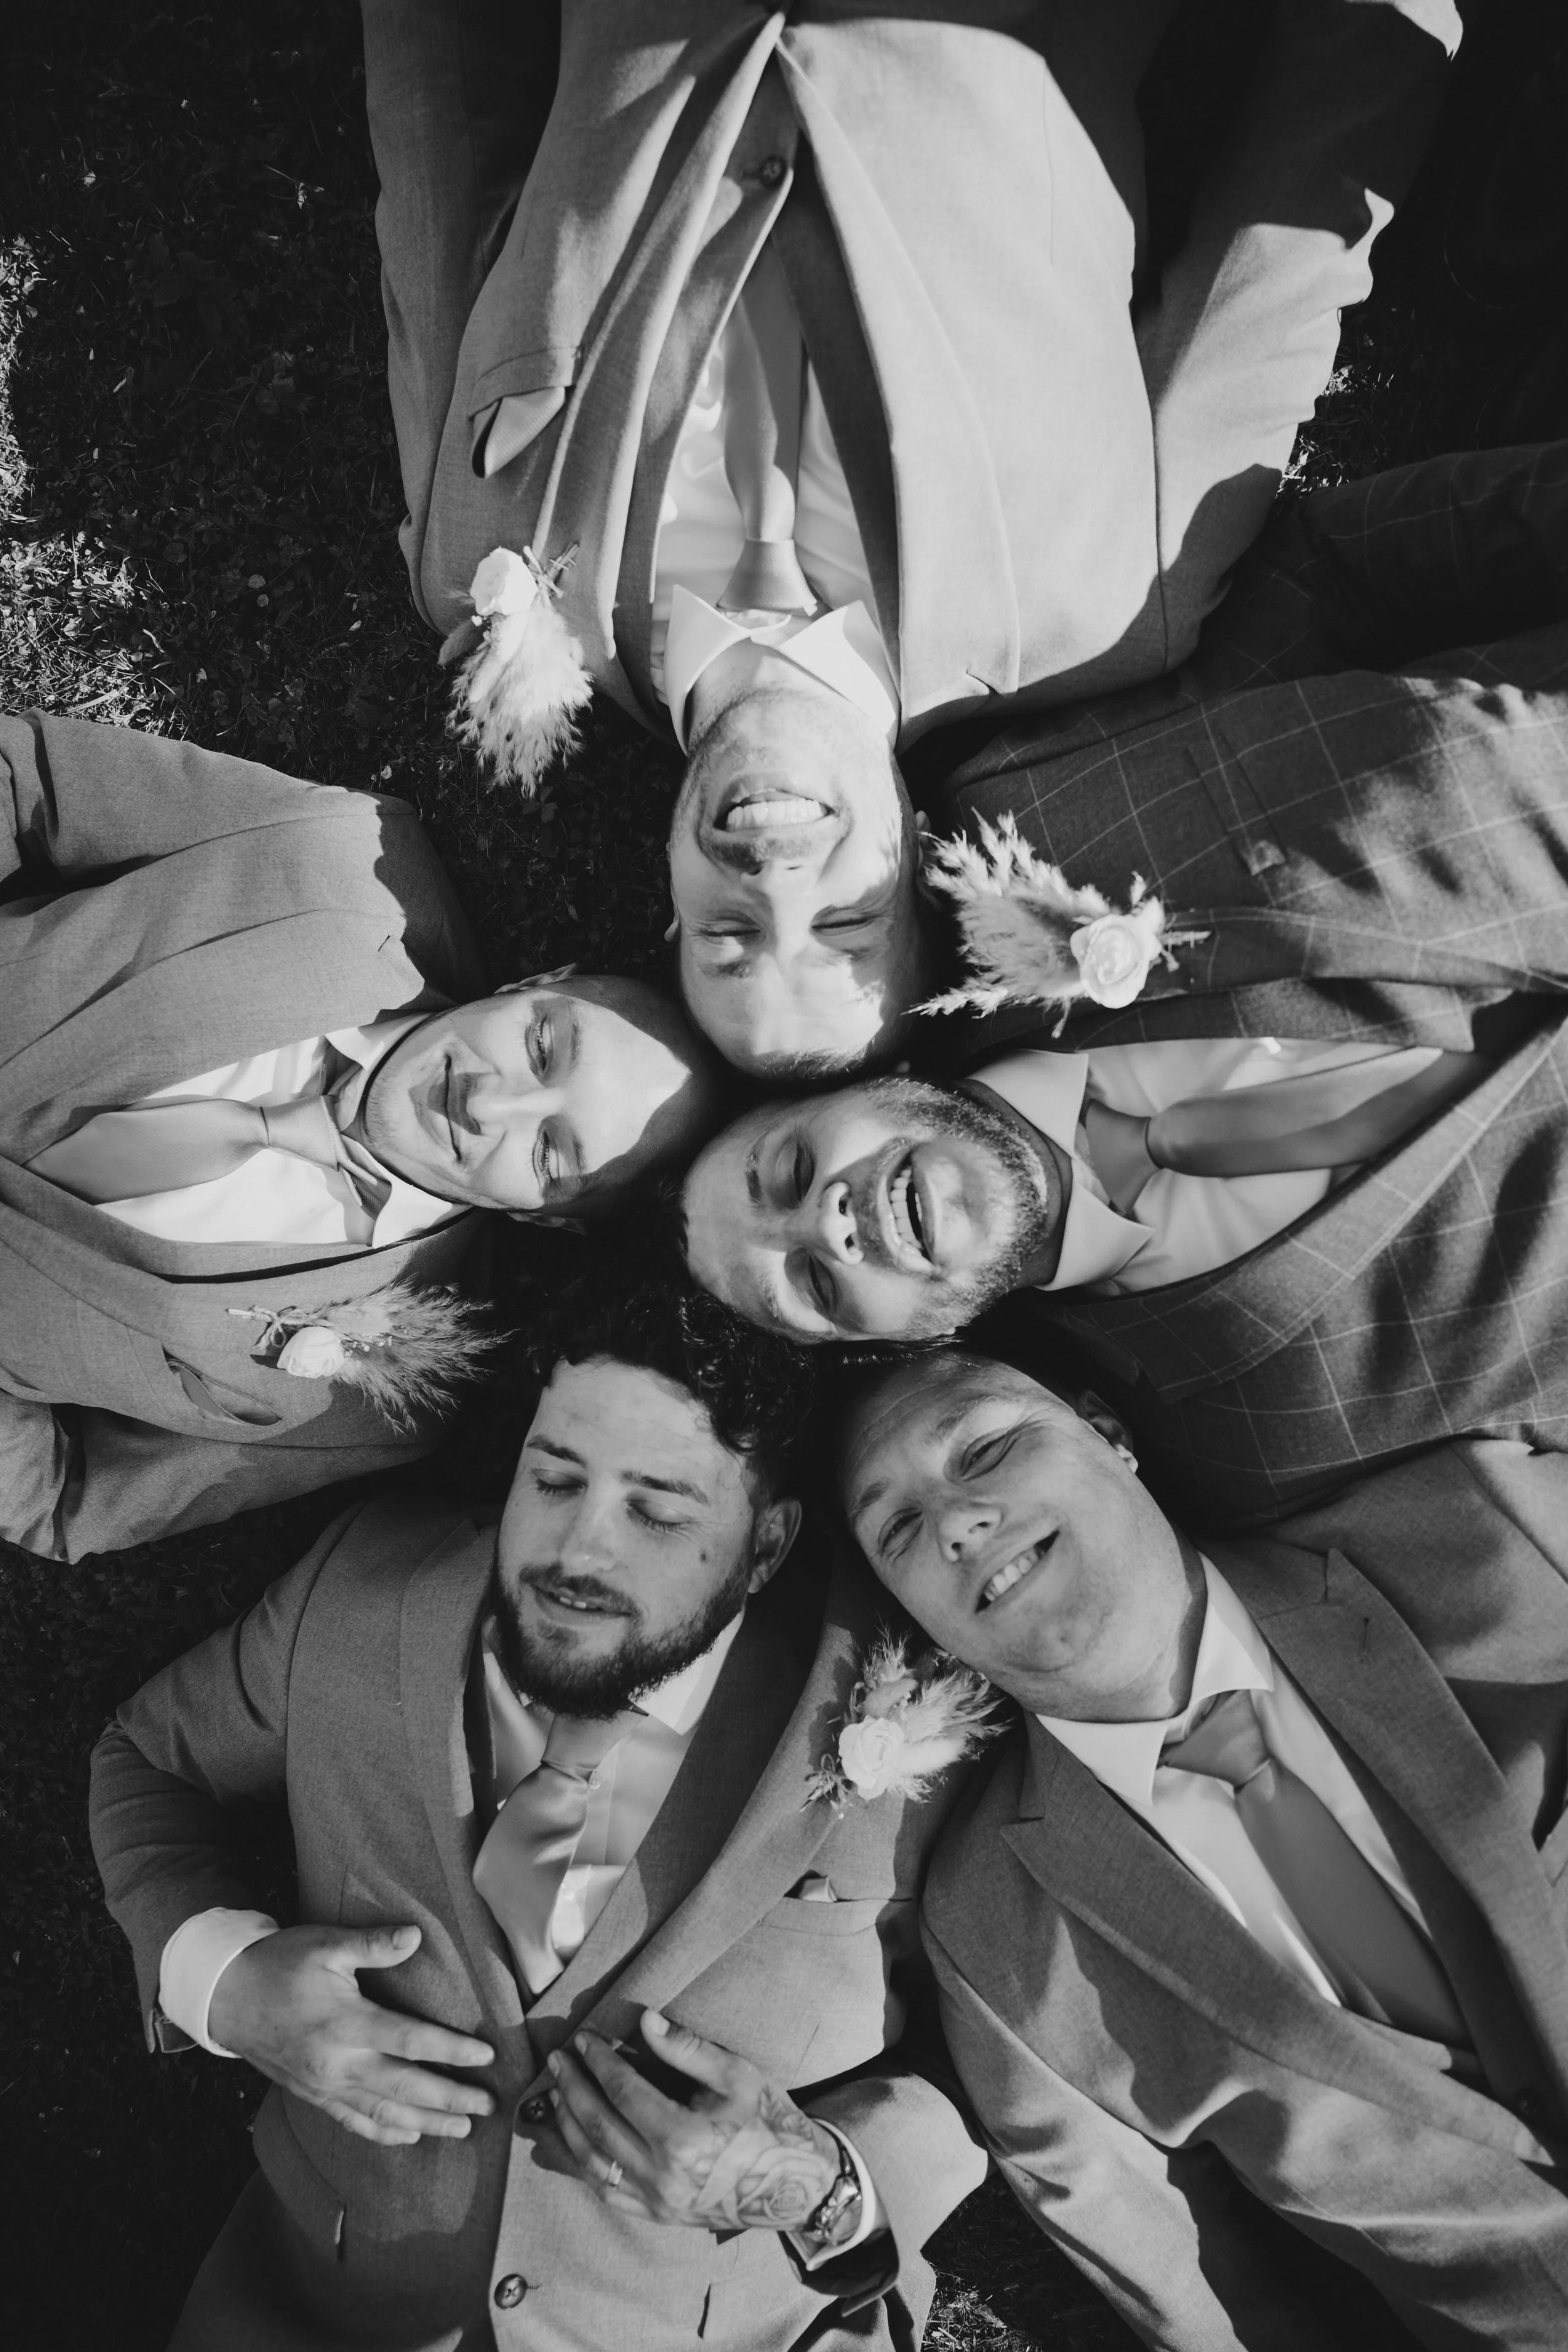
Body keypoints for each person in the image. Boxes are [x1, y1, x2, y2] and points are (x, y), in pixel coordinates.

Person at [363, 0, 1458, 1076]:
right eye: (844, 926)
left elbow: (442, 162)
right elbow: (1279, 256)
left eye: (727, 937)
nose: (775, 881)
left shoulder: (479, 562)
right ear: (918, 857)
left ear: (670, 898)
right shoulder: (1112, 601)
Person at [88, 1270, 987, 2351]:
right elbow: (147, 1757)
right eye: (554, 1478)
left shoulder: (907, 1700)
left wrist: (818, 2187)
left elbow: (1009, 2070)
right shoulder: (363, 1592)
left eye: (658, 1508)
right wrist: (224, 1982)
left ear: (768, 1542)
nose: (579, 1550)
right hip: (325, 2311)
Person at [680, 447, 1568, 1520]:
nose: (828, 1221)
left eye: (785, 1170)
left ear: (850, 1085)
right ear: (909, 1342)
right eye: (817, 1287)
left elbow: (1326, 574)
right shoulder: (1252, 1450)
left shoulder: (1012, 818)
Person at [840, 1348, 1568, 2349]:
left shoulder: (1494, 1532)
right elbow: (1217, 2307)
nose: (957, 1521)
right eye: (899, 1527)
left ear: (1111, 1435)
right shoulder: (999, 1952)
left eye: (989, 1446)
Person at [0, 714, 725, 1560]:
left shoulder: (388, 1400)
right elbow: (34, 780)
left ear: (549, 1219)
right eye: (541, 1046)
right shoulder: (342, 859)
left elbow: (70, 1500)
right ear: (536, 984)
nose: (490, 1105)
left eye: (550, 1153)